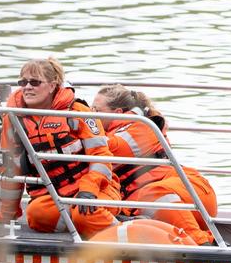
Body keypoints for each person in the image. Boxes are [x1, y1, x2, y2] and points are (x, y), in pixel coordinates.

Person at [0, 57, 121, 237]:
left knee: (85, 214)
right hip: (52, 196)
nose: (27, 87)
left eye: (34, 82)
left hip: (95, 189)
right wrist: (6, 213)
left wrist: (88, 190)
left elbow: (101, 157)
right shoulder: (13, 119)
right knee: (36, 215)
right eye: (23, 82)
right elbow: (10, 167)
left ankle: (126, 237)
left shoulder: (77, 112)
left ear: (52, 86)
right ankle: (82, 225)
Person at [92, 84, 219, 246]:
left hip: (190, 195)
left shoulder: (140, 127)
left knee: (153, 193)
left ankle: (203, 245)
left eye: (96, 110)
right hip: (180, 201)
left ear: (117, 113)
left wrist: (77, 132)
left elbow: (108, 147)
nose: (90, 115)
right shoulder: (117, 130)